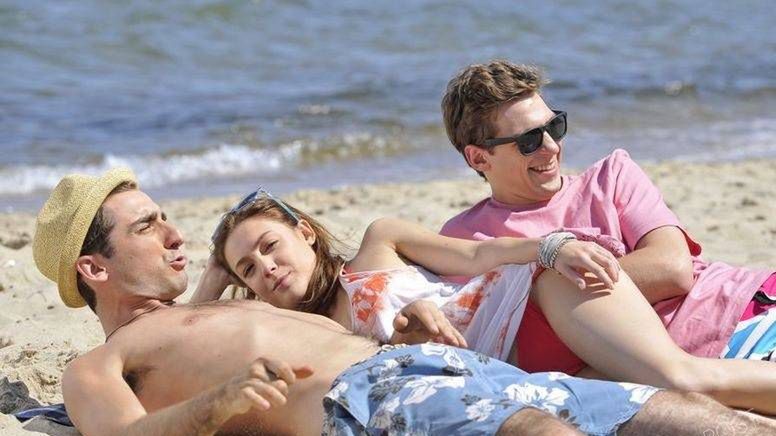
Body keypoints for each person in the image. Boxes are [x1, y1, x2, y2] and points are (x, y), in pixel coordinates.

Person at [31, 169, 775, 436]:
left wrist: (407, 337)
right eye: (147, 227)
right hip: (366, 402)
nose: (174, 234)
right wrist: (215, 405)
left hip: (440, 366)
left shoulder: (227, 310)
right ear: (94, 267)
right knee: (538, 432)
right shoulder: (99, 363)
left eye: (166, 218)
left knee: (675, 415)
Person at [199, 184, 776, 414]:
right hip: (529, 371)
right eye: (247, 269)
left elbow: (478, 255)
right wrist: (210, 279)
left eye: (270, 247)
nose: (266, 268)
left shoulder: (379, 242)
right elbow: (184, 338)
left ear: (304, 233)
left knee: (686, 379)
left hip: (538, 300)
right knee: (673, 404)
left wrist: (550, 247)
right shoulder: (301, 335)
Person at [438, 57, 776, 382]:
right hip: (685, 370)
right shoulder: (463, 240)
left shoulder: (612, 176)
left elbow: (673, 269)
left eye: (555, 127)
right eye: (529, 141)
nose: (552, 147)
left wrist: (552, 301)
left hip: (740, 308)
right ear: (479, 158)